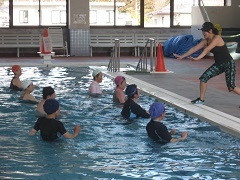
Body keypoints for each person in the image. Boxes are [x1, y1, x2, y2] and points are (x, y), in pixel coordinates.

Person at [173, 22, 240, 104]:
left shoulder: (217, 38)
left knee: (231, 86)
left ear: (210, 30)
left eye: (204, 31)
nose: (203, 33)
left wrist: (198, 58)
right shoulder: (205, 41)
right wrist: (182, 56)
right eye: (202, 31)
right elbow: (194, 49)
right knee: (203, 78)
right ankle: (201, 100)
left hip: (228, 63)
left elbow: (207, 49)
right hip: (219, 64)